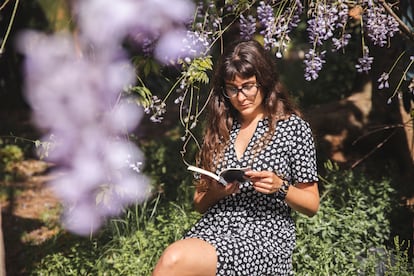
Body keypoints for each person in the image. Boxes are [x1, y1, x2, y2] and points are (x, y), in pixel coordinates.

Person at [152, 40, 320, 276]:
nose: (241, 97)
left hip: (264, 237)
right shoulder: (221, 128)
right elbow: (199, 203)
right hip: (213, 228)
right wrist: (217, 192)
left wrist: (280, 187)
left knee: (174, 259)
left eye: (248, 86)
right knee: (173, 257)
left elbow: (312, 205)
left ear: (265, 80)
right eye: (232, 88)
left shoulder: (292, 128)